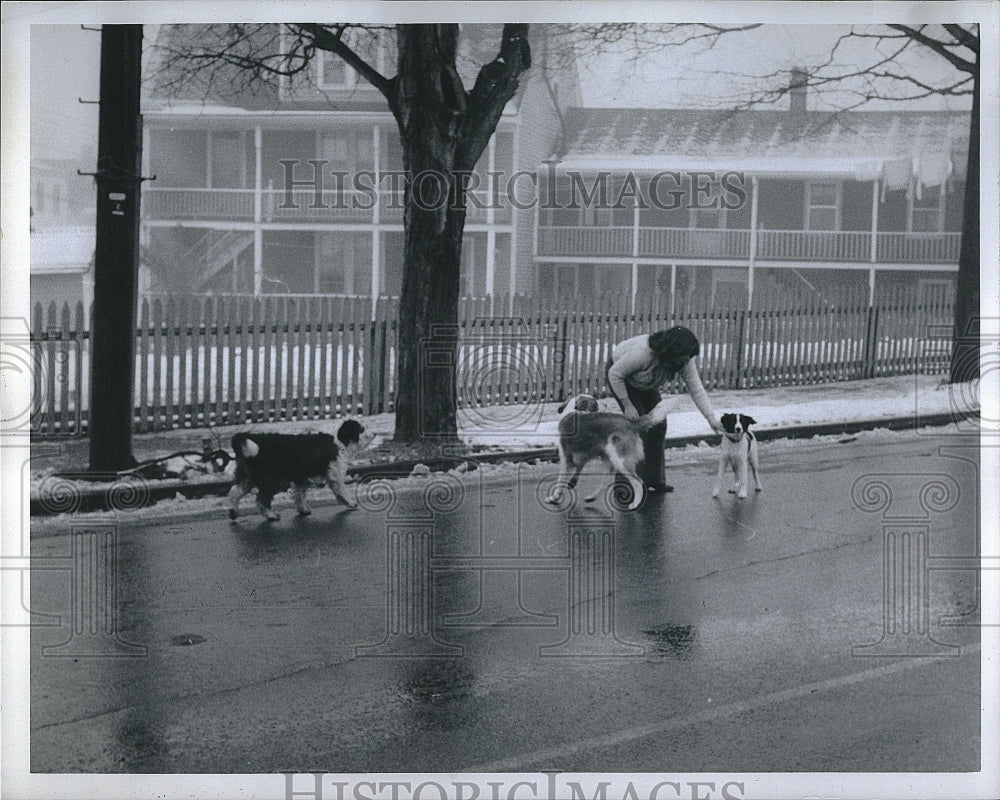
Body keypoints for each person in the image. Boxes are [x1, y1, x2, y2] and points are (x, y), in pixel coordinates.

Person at [606, 326, 722, 492]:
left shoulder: (684, 360)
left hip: (646, 381)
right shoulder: (643, 353)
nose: (686, 361)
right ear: (671, 352)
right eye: (683, 357)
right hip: (622, 378)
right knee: (639, 428)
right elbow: (614, 374)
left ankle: (654, 480)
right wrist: (627, 404)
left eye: (688, 357)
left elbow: (696, 389)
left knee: (659, 425)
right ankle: (626, 485)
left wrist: (711, 419)